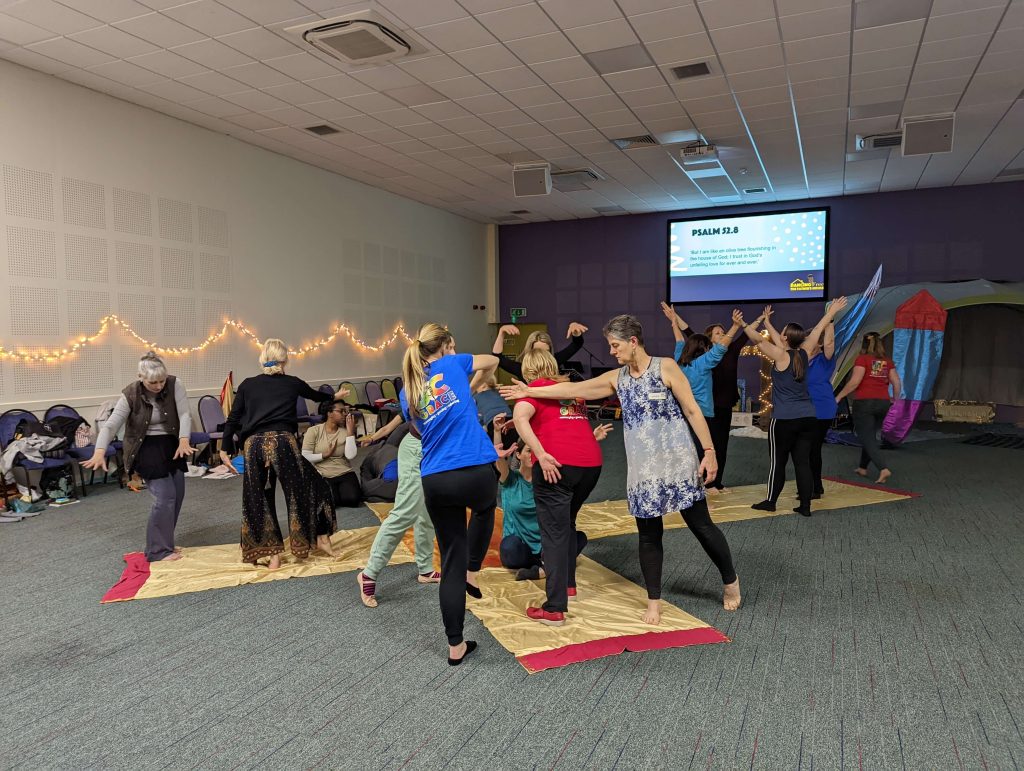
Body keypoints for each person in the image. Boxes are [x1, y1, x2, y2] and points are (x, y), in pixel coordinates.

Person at [501, 315, 740, 622]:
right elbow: (578, 389)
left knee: (701, 526)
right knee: (649, 535)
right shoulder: (617, 377)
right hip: (642, 468)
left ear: (632, 341)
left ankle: (730, 580)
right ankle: (653, 601)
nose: (612, 351)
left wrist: (709, 451)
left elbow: (692, 409)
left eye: (615, 345)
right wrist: (531, 391)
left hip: (678, 462)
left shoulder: (665, 366)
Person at [402, 323, 500, 665]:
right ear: (446, 346)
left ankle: (455, 645)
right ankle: (474, 569)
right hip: (473, 468)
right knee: (487, 507)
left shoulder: (408, 389)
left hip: (436, 478)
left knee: (450, 561)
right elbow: (492, 361)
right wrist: (466, 377)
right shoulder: (454, 363)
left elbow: (417, 430)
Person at [218, 339, 346, 569]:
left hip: (254, 445)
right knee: (311, 488)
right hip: (283, 444)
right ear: (284, 360)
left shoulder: (247, 384)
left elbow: (233, 418)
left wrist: (224, 447)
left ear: (262, 360)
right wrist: (334, 397)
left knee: (258, 498)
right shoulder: (292, 383)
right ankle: (318, 537)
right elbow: (317, 397)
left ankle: (272, 555)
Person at [511, 349, 612, 626]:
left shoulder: (532, 390)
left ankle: (554, 607)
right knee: (565, 523)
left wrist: (539, 452)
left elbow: (521, 418)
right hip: (590, 465)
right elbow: (566, 423)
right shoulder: (570, 390)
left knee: (554, 534)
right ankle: (568, 584)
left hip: (557, 465)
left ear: (527, 371)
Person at [84, 352, 195, 562]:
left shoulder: (175, 384)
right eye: (153, 382)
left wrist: (183, 439)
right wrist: (99, 451)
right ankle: (157, 551)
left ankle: (165, 544)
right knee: (165, 497)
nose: (159, 386)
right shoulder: (130, 393)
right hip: (145, 447)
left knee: (177, 495)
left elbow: (184, 414)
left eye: (162, 381)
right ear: (141, 377)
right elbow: (111, 425)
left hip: (173, 444)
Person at [740, 299, 847, 516]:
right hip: (808, 418)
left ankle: (771, 502)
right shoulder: (805, 353)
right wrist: (831, 314)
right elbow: (817, 329)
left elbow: (754, 336)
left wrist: (743, 323)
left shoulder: (780, 356)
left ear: (785, 337)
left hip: (784, 420)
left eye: (783, 332)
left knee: (777, 463)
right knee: (802, 463)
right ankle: (805, 506)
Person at [355, 418, 440, 609]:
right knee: (404, 513)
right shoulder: (415, 390)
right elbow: (402, 419)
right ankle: (369, 573)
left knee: (427, 513)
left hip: (437, 448)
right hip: (417, 448)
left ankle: (425, 569)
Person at [763, 305, 837, 498]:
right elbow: (781, 343)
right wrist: (767, 323)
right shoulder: (797, 357)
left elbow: (829, 343)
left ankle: (815, 488)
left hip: (820, 409)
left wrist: (830, 320)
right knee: (804, 454)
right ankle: (810, 489)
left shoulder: (824, 359)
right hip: (802, 411)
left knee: (812, 450)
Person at [834, 332, 901, 485]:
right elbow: (896, 383)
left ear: (863, 344)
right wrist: (894, 399)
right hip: (883, 403)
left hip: (865, 403)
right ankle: (862, 467)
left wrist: (838, 397)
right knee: (870, 435)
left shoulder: (862, 359)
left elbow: (854, 382)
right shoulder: (887, 361)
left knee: (866, 436)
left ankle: (883, 468)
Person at [301, 402, 361, 507]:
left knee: (353, 500)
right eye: (341, 411)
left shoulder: (345, 432)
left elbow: (350, 455)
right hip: (323, 474)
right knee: (331, 502)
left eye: (345, 411)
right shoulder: (313, 431)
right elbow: (305, 456)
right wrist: (324, 455)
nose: (345, 414)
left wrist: (350, 432)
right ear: (329, 413)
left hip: (344, 472)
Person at [490, 322, 588, 381]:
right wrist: (501, 332)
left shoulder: (554, 361)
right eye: (538, 351)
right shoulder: (522, 369)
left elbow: (576, 344)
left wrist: (575, 330)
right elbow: (497, 358)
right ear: (530, 351)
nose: (542, 355)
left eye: (546, 351)